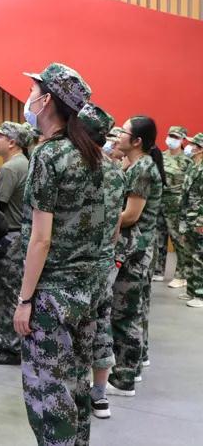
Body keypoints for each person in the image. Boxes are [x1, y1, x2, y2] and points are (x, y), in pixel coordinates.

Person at [13, 63, 105, 446]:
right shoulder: (90, 153)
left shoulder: (48, 156)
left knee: (50, 398)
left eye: (33, 91)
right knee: (76, 389)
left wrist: (25, 300)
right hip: (85, 291)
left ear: (47, 99)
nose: (29, 98)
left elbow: (41, 240)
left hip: (51, 298)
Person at [107, 116, 164, 397]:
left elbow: (130, 216)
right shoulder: (134, 165)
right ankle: (134, 366)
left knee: (124, 313)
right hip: (135, 248)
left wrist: (104, 218)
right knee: (132, 310)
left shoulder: (142, 169)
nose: (118, 136)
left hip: (134, 250)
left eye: (124, 132)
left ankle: (124, 377)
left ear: (137, 141)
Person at [78, 104, 124, 419]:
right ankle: (99, 395)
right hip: (104, 260)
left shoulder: (78, 167)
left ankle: (74, 393)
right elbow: (116, 224)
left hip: (76, 264)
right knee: (101, 324)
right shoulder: (115, 171)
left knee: (76, 328)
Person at [0, 122, 35, 365]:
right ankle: (11, 337)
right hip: (21, 234)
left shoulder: (9, 169)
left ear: (13, 142)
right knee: (13, 290)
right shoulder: (26, 163)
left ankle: (13, 346)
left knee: (4, 291)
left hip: (9, 236)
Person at [158, 126, 193, 290]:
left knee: (178, 239)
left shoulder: (187, 161)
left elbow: (190, 186)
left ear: (182, 140)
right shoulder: (161, 156)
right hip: (159, 201)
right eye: (170, 136)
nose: (172, 139)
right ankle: (158, 270)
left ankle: (181, 275)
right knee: (158, 238)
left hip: (176, 204)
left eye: (176, 137)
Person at [179, 133, 203, 307]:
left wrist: (201, 221)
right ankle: (191, 290)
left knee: (199, 257)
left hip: (199, 218)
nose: (190, 147)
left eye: (194, 145)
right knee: (188, 254)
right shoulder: (193, 166)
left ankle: (200, 295)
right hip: (188, 217)